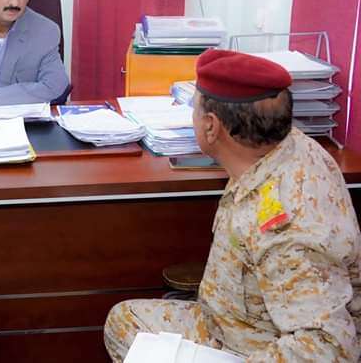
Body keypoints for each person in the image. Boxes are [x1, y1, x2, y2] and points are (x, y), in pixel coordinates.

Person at [104, 50, 361, 362]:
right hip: (237, 321)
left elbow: (329, 349)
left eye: (194, 108)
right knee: (124, 322)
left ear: (211, 127)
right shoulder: (284, 146)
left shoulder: (285, 227)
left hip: (258, 346)